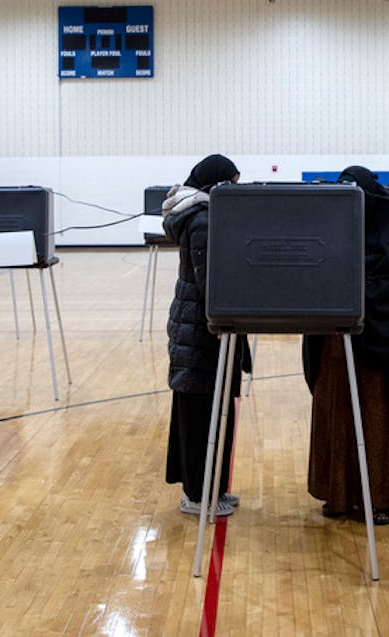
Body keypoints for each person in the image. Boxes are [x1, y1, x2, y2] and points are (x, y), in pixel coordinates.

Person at [303, 166, 389, 525]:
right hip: (336, 344)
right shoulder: (332, 232)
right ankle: (339, 495)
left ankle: (384, 498)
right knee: (337, 413)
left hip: (380, 343)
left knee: (376, 419)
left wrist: (354, 299)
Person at [162, 154, 249, 517]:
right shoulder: (202, 220)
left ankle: (212, 489)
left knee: (214, 411)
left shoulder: (204, 215)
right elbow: (210, 284)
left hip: (199, 329)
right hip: (200, 332)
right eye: (231, 182)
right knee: (201, 415)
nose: (235, 190)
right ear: (215, 183)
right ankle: (198, 495)